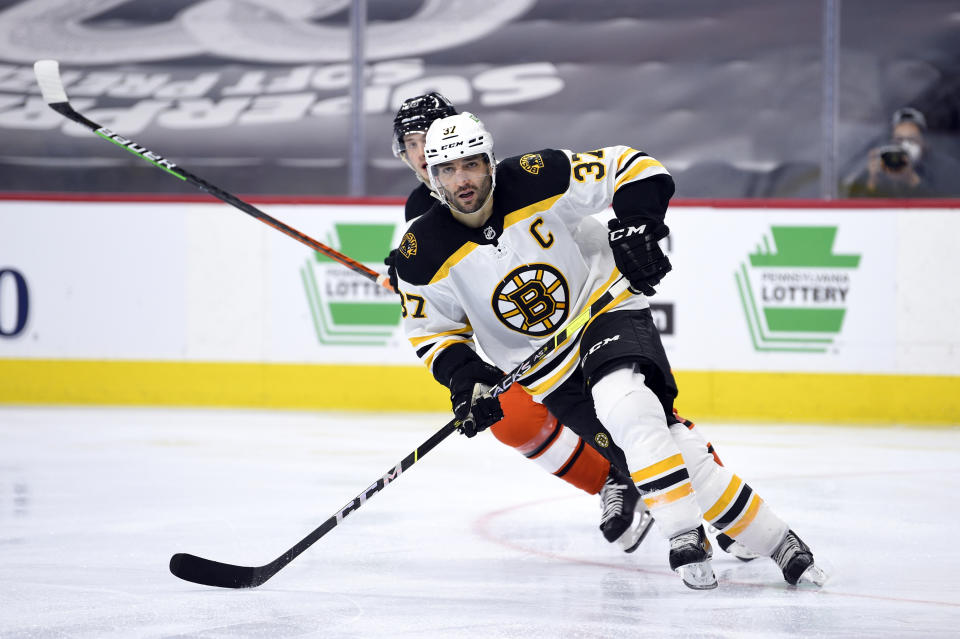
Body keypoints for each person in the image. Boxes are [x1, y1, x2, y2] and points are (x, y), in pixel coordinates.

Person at [394, 110, 826, 589]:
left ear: (491, 162)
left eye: (472, 165)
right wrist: (466, 376)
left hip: (602, 309)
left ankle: (683, 535)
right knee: (660, 444)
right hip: (546, 374)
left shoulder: (539, 175)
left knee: (625, 404)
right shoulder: (420, 249)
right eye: (448, 170)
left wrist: (637, 226)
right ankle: (780, 541)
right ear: (431, 177)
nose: (463, 180)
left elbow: (632, 166)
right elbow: (431, 333)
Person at [388, 93, 653, 553]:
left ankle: (722, 507)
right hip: (529, 342)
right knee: (509, 417)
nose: (419, 152)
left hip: (584, 311)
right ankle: (614, 480)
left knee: (645, 418)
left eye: (427, 139)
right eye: (411, 143)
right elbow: (447, 305)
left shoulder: (509, 179)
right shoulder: (426, 209)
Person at [845, 107, 960, 197]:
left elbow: (945, 211)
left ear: (924, 142)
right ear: (890, 142)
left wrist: (911, 179)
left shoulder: (945, 169)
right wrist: (872, 179)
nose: (905, 146)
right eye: (899, 140)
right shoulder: (882, 163)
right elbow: (856, 205)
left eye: (912, 139)